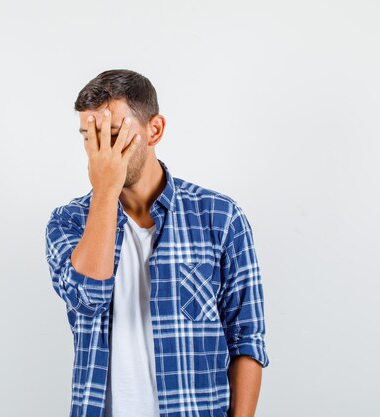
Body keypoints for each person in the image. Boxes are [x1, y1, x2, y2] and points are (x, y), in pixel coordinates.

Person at [44, 69, 270, 417]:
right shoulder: (68, 222)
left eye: (114, 135)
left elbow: (246, 338)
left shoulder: (220, 218)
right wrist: (106, 189)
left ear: (155, 130)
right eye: (89, 137)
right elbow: (88, 298)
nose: (100, 153)